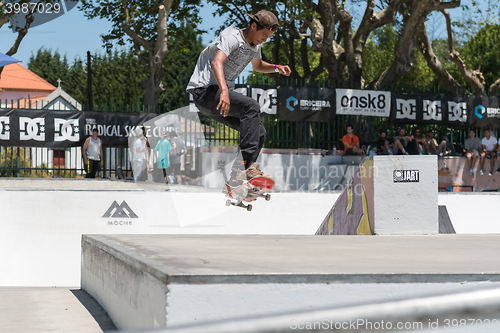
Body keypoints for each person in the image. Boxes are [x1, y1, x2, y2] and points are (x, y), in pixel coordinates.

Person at [186, 10, 291, 194]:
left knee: (258, 131)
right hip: (205, 92)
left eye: (269, 37)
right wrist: (225, 90)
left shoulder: (255, 46)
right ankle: (247, 168)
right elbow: (216, 62)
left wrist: (276, 67)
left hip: (216, 99)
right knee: (252, 106)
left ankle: (234, 181)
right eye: (264, 35)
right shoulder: (232, 36)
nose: (264, 40)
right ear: (253, 26)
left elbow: (258, 66)